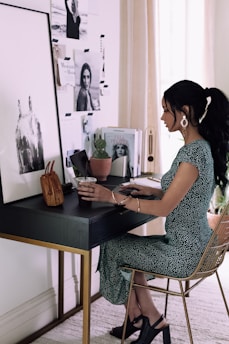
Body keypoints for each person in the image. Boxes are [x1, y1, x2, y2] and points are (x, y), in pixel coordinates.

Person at [77, 80, 229, 343]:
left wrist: (112, 196)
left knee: (114, 246)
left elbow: (163, 209)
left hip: (184, 254)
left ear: (184, 112)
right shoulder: (200, 148)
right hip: (196, 245)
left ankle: (145, 318)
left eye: (166, 110)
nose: (162, 116)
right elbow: (186, 195)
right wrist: (154, 191)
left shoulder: (192, 154)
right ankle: (144, 317)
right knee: (131, 248)